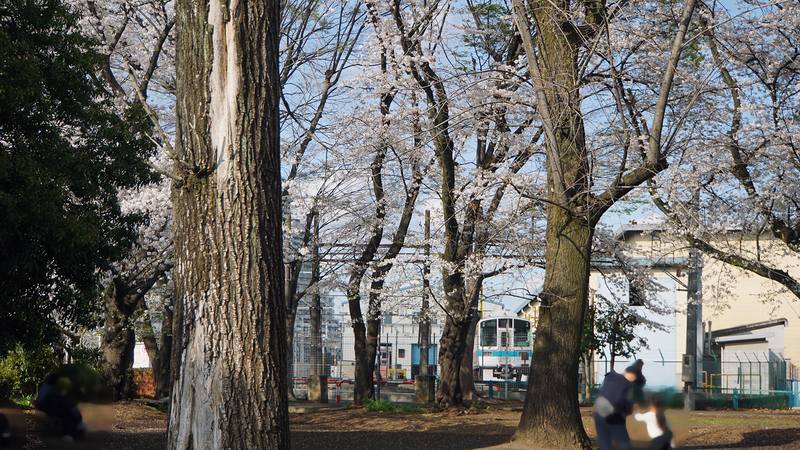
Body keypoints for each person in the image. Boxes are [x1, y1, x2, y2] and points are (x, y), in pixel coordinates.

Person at [593, 363, 645, 450]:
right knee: (623, 442)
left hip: (599, 416)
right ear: (631, 374)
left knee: (605, 445)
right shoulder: (624, 382)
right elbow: (618, 399)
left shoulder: (608, 378)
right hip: (614, 417)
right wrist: (629, 406)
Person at [35, 373, 86, 441]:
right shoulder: (49, 388)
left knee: (67, 407)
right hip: (48, 410)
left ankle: (75, 429)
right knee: (66, 411)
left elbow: (54, 399)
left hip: (46, 408)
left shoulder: (45, 387)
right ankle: (68, 433)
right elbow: (57, 401)